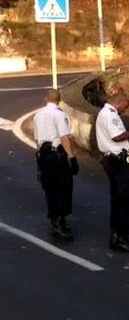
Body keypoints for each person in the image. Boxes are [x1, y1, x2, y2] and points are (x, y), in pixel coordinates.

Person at [95, 87, 129, 253]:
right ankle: (120, 236)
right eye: (125, 106)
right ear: (120, 102)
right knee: (125, 199)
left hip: (114, 160)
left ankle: (120, 235)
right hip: (117, 161)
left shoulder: (106, 114)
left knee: (120, 199)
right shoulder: (110, 115)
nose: (125, 110)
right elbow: (117, 137)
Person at [34, 88, 79, 240]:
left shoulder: (38, 115)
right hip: (57, 156)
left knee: (50, 188)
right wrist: (72, 157)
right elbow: (64, 137)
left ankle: (55, 220)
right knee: (63, 188)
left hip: (44, 155)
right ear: (59, 99)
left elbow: (37, 139)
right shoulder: (60, 115)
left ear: (46, 98)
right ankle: (60, 222)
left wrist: (39, 159)